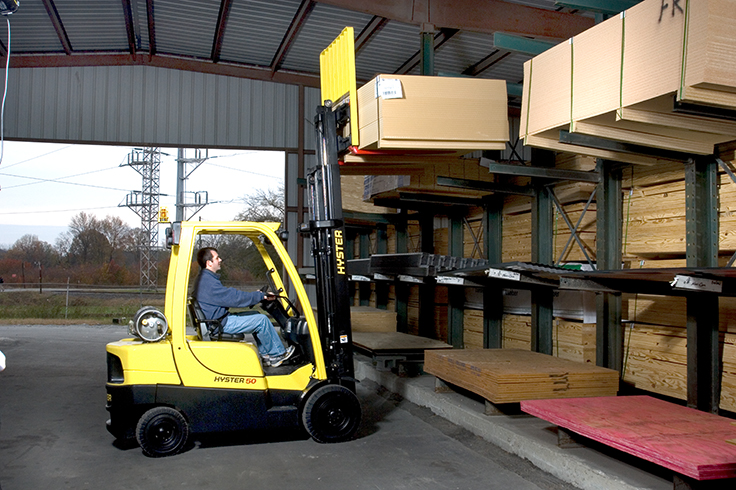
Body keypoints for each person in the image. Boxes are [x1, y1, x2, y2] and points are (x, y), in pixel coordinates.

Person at [192, 247, 295, 367]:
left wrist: (257, 295)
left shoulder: (205, 279)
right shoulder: (208, 282)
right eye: (216, 258)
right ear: (209, 263)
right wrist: (259, 296)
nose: (220, 260)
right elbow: (234, 298)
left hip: (217, 320)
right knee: (261, 320)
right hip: (219, 324)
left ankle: (267, 355)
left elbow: (229, 296)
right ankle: (278, 355)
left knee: (256, 315)